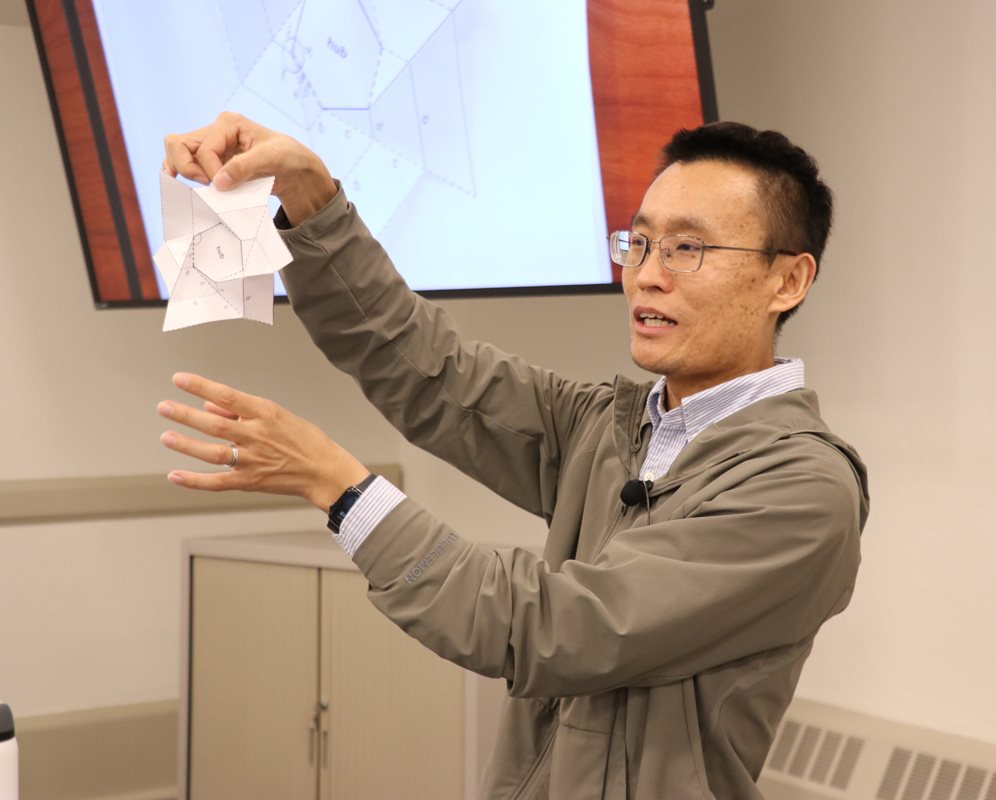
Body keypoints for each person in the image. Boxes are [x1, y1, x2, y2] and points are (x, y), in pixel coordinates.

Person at [158, 112, 869, 799]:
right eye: (641, 243)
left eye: (689, 248)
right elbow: (423, 367)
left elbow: (552, 628)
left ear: (788, 280)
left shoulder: (802, 489)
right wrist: (309, 197)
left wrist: (341, 487)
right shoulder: (609, 428)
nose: (649, 275)